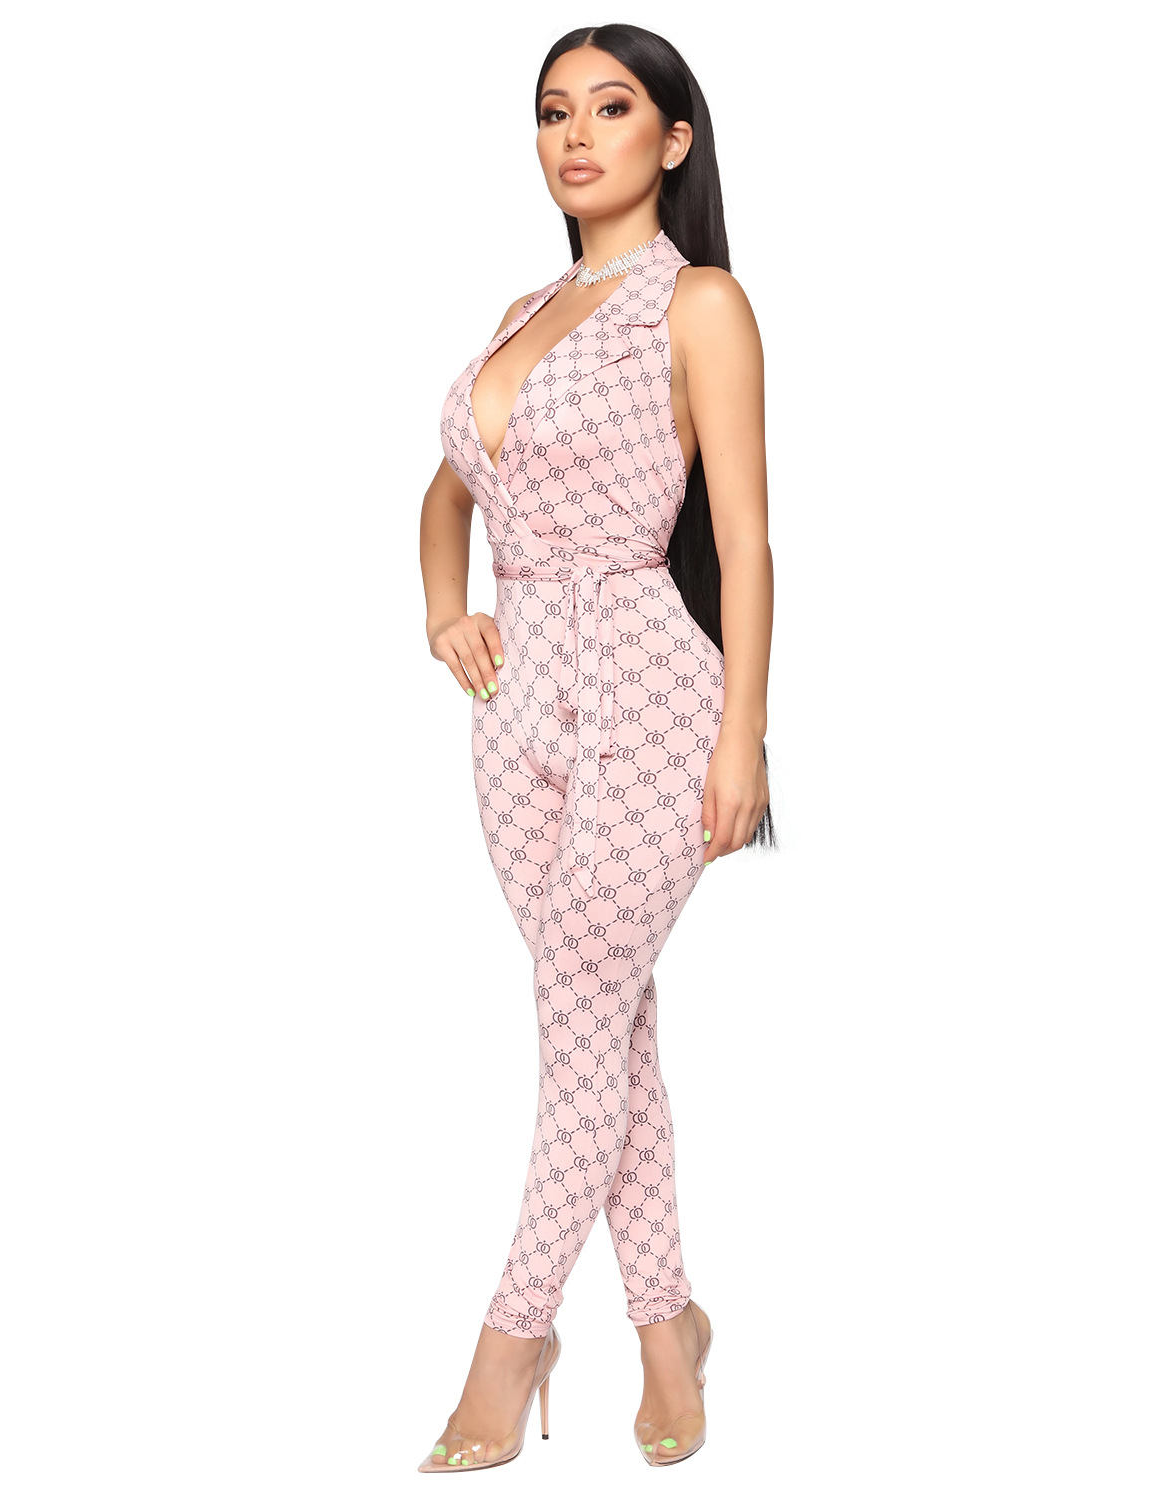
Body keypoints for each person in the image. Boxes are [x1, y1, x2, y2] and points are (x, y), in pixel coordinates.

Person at [415, 23, 776, 1472]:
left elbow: (744, 540)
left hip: (652, 690)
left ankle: (512, 1346)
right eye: (553, 110)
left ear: (672, 140)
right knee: (602, 1021)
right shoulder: (522, 311)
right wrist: (445, 609)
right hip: (515, 711)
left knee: (578, 1015)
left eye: (611, 108)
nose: (576, 135)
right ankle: (669, 1328)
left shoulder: (701, 303)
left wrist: (743, 739)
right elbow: (450, 489)